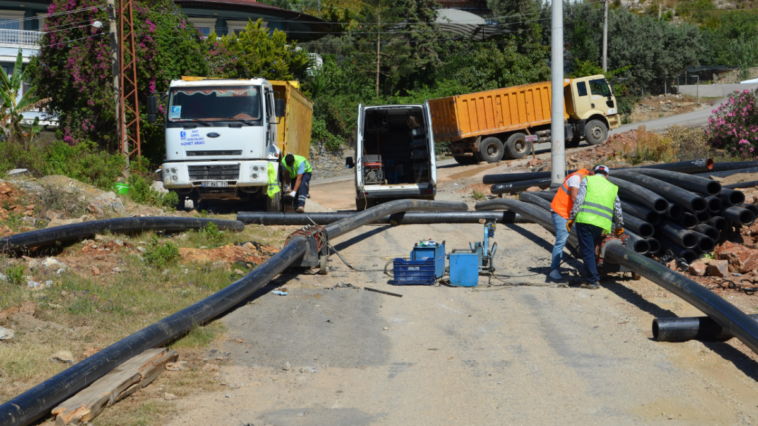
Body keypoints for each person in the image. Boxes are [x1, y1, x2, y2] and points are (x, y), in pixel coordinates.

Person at [567, 165, 624, 290]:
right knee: (593, 249)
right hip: (601, 224)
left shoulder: (587, 180)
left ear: (594, 172)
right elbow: (618, 210)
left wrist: (572, 217)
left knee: (587, 251)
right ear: (607, 175)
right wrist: (619, 226)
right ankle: (593, 275)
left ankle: (593, 280)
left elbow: (579, 200)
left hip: (585, 221)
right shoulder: (613, 187)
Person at [547, 167, 593, 282]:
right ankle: (554, 269)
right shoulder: (576, 178)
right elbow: (574, 198)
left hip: (569, 213)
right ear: (590, 173)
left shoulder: (584, 178)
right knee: (561, 240)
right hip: (561, 212)